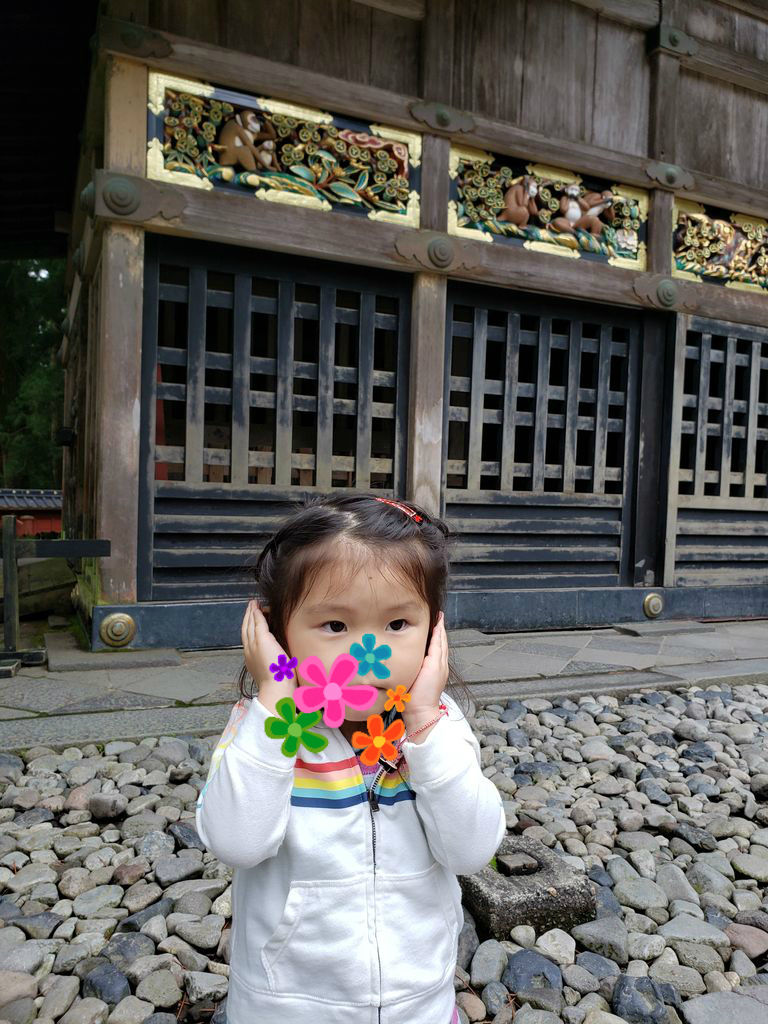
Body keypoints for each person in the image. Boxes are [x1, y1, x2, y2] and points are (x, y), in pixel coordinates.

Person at [195, 493, 506, 1024]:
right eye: (335, 626)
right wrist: (274, 702)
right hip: (287, 1008)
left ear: (434, 631)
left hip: (419, 1005)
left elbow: (471, 851)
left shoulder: (437, 726)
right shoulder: (262, 730)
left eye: (398, 624)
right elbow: (236, 843)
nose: (369, 654)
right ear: (276, 631)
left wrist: (424, 724)